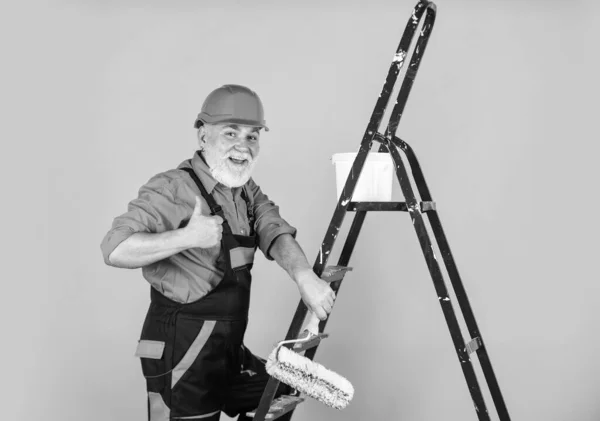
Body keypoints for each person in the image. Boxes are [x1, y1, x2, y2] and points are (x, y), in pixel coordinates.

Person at [100, 84, 335, 421]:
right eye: (230, 133)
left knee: (277, 392)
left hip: (225, 349)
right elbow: (115, 249)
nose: (243, 146)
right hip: (181, 350)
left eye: (252, 136)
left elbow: (275, 231)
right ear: (203, 137)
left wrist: (303, 276)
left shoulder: (245, 191)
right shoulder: (172, 188)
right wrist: (185, 237)